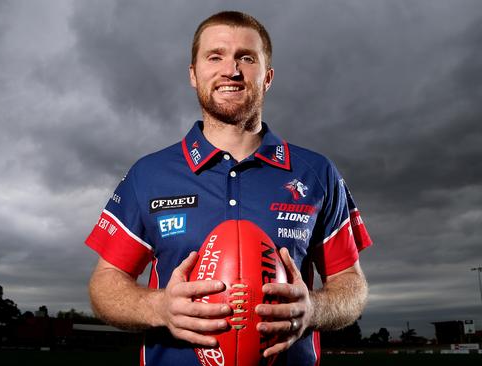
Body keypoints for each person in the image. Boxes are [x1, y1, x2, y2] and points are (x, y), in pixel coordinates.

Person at [86, 11, 372, 366]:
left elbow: (352, 286)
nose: (231, 70)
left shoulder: (317, 173)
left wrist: (312, 308)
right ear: (193, 74)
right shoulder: (149, 174)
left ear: (267, 77)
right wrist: (158, 306)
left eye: (246, 58)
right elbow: (104, 283)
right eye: (215, 56)